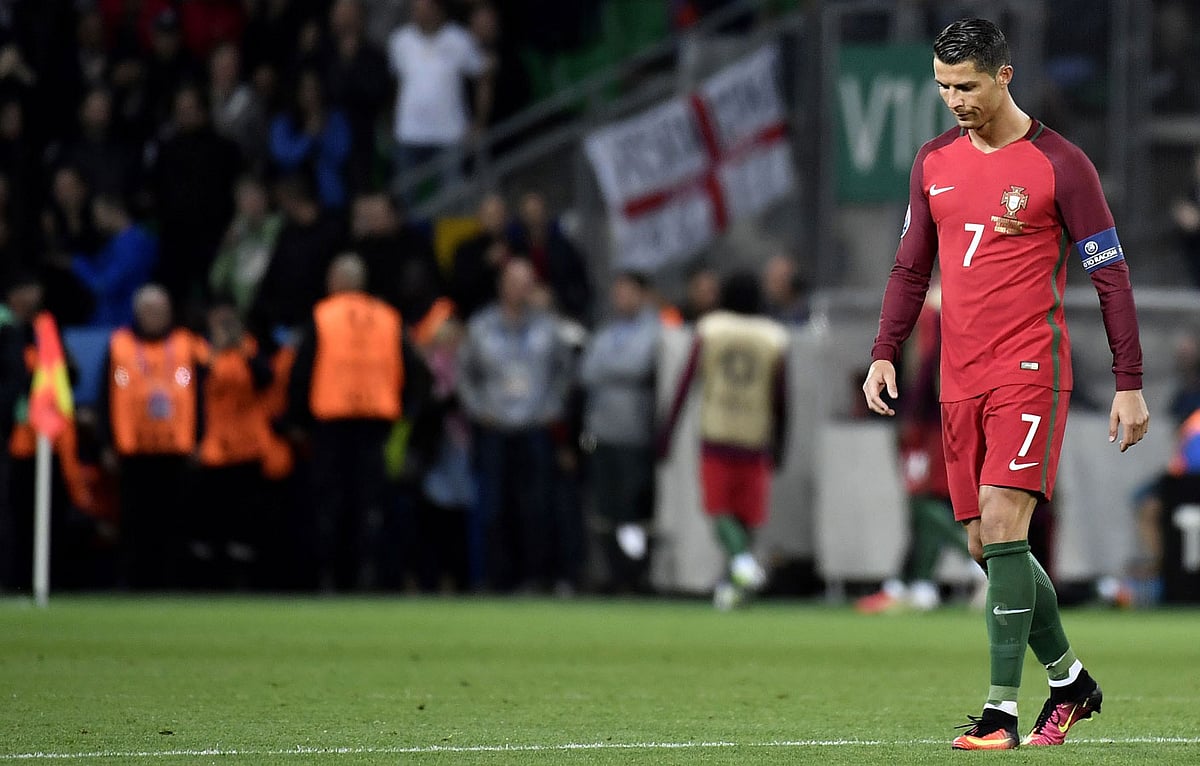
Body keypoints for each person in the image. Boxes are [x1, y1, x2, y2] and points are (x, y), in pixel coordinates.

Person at [861, 19, 1149, 750]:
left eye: (967, 86)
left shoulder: (1062, 165)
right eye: (943, 86)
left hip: (1029, 369)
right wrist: (885, 350)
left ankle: (999, 712)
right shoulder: (932, 162)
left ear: (1004, 77)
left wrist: (1129, 380)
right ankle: (1071, 681)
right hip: (957, 376)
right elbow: (908, 268)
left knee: (1002, 526)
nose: (953, 100)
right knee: (987, 548)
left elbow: (1108, 275)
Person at [287, 253, 427, 590]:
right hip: (377, 424)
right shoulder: (387, 318)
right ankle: (370, 579)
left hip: (330, 423)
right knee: (371, 505)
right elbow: (418, 373)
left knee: (330, 504)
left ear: (334, 281)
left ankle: (329, 579)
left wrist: (297, 421)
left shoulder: (322, 316)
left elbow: (301, 373)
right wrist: (408, 412)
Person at [658, 271, 789, 610]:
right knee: (746, 515)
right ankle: (735, 582)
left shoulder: (711, 329)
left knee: (719, 510)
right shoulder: (773, 337)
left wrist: (668, 432)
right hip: (755, 434)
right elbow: (781, 397)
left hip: (717, 431)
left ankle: (740, 569)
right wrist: (781, 440)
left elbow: (687, 382)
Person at [855, 283, 982, 614]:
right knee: (935, 500)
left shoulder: (935, 308)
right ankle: (920, 584)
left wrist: (911, 414)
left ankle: (980, 563)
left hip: (934, 421)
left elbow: (929, 364)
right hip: (957, 414)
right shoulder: (966, 299)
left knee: (921, 499)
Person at [457, 258, 571, 591]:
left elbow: (564, 372)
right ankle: (496, 579)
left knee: (535, 506)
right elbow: (465, 376)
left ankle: (534, 577)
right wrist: (478, 410)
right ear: (502, 285)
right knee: (493, 506)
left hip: (535, 427)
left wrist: (552, 407)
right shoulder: (481, 326)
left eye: (527, 282)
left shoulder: (549, 326)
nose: (521, 288)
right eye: (514, 281)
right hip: (494, 427)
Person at [97, 284, 208, 589]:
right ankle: (134, 584)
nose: (154, 316)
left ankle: (172, 584)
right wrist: (106, 442)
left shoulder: (187, 344)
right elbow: (107, 395)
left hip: (176, 447)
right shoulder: (120, 345)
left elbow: (199, 395)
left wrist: (200, 438)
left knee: (175, 521)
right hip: (133, 449)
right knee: (134, 522)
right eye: (148, 310)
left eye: (160, 310)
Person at [578, 272, 660, 592]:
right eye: (618, 292)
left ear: (642, 294)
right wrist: (618, 369)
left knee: (633, 508)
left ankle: (635, 574)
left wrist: (609, 369)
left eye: (628, 292)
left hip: (635, 433)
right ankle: (613, 573)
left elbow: (640, 366)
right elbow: (586, 372)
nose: (621, 298)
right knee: (606, 509)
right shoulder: (606, 333)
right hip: (602, 431)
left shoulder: (655, 331)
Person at [387, 0, 493, 201]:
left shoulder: (459, 39)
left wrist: (480, 122)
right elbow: (394, 85)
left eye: (425, 9)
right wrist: (393, 120)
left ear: (438, 10)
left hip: (449, 133)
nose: (419, 14)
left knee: (451, 197)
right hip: (409, 132)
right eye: (416, 9)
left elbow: (483, 76)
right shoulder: (400, 41)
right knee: (404, 196)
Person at [69, 194, 157, 329]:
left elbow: (105, 286)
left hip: (123, 322)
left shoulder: (132, 243)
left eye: (98, 214)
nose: (95, 220)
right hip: (112, 319)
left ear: (114, 211)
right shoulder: (117, 243)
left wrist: (76, 264)